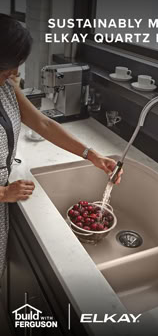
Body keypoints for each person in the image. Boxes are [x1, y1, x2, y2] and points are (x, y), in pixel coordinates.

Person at [0, 14, 122, 278]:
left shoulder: (6, 87)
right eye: (8, 66)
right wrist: (2, 194)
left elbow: (43, 124)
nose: (15, 73)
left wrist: (93, 156)